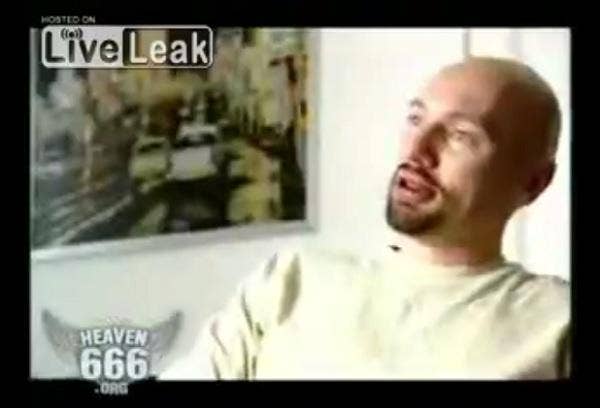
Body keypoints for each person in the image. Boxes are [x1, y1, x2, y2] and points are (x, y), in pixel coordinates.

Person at [160, 57, 570, 380]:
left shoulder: (556, 324)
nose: (417, 150)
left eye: (460, 135)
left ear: (533, 182)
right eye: (416, 119)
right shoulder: (289, 282)